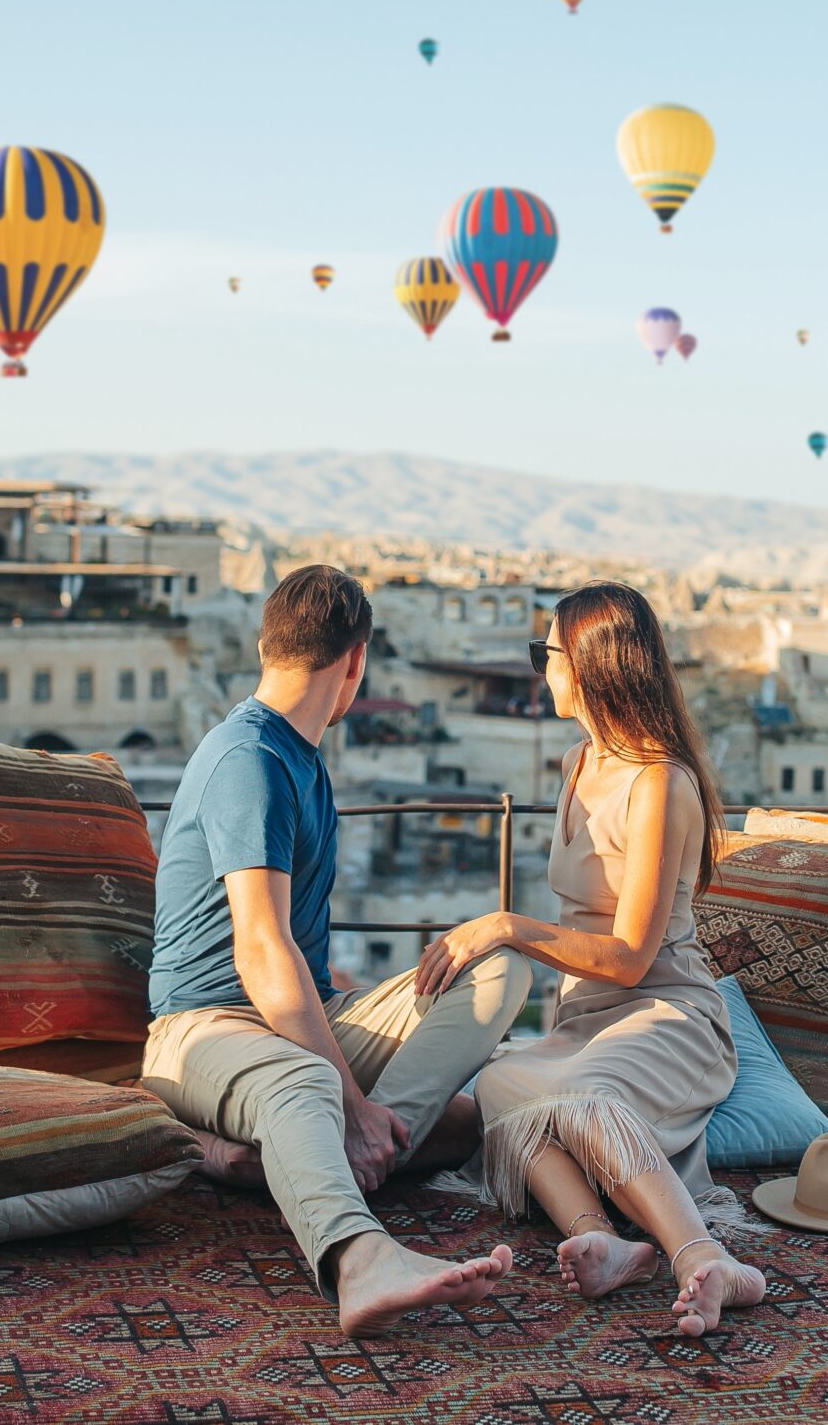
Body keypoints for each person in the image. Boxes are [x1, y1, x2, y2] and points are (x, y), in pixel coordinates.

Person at [142, 565, 533, 1338]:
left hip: (302, 1016)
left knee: (499, 977)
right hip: (203, 1028)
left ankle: (351, 1151)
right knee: (306, 1083)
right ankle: (360, 1257)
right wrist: (348, 1098)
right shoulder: (249, 759)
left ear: (267, 644)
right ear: (356, 661)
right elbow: (261, 950)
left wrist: (364, 1112)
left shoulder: (301, 756)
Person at [416, 581, 768, 1337]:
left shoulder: (659, 782)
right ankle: (599, 1236)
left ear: (586, 664)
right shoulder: (578, 761)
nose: (541, 665)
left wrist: (509, 926)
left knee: (583, 1091)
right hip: (584, 1019)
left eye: (546, 652)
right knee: (506, 1079)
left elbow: (634, 957)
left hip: (666, 1013)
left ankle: (703, 1256)